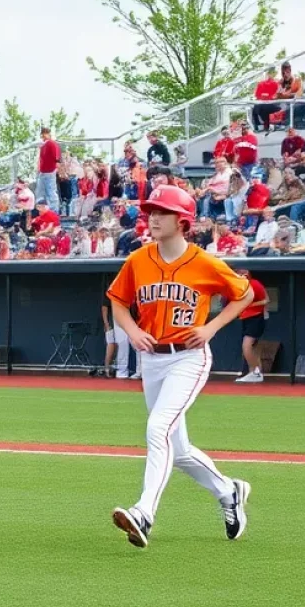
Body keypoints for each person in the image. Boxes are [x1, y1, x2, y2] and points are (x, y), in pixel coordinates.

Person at [107, 186, 254, 549]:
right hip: (152, 358)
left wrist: (212, 326)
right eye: (151, 211)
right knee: (180, 448)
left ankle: (144, 513)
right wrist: (132, 329)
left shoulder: (205, 262)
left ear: (183, 220)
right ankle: (229, 491)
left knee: (158, 428)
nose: (153, 217)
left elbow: (245, 294)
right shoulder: (138, 260)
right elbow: (118, 302)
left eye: (162, 211)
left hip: (188, 357)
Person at [235, 269, 269, 383]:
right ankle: (254, 372)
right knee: (251, 347)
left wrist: (249, 304)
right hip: (245, 318)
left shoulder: (255, 284)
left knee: (247, 346)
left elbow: (266, 300)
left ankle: (255, 372)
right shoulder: (239, 286)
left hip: (256, 317)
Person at [35, 125, 61, 213]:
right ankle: (43, 210)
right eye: (42, 134)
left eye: (44, 134)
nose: (43, 136)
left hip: (50, 171)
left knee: (51, 192)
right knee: (40, 192)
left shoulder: (52, 143)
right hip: (43, 171)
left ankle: (54, 211)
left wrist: (57, 169)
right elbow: (41, 159)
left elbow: (57, 158)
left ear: (48, 134)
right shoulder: (43, 145)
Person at [252, 66, 281, 132]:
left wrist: (267, 96)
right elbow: (257, 95)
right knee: (256, 108)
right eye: (269, 73)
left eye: (273, 73)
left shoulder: (276, 83)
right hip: (264, 104)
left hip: (273, 104)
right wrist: (265, 96)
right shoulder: (261, 83)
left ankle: (264, 126)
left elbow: (276, 95)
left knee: (262, 107)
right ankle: (260, 127)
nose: (270, 75)